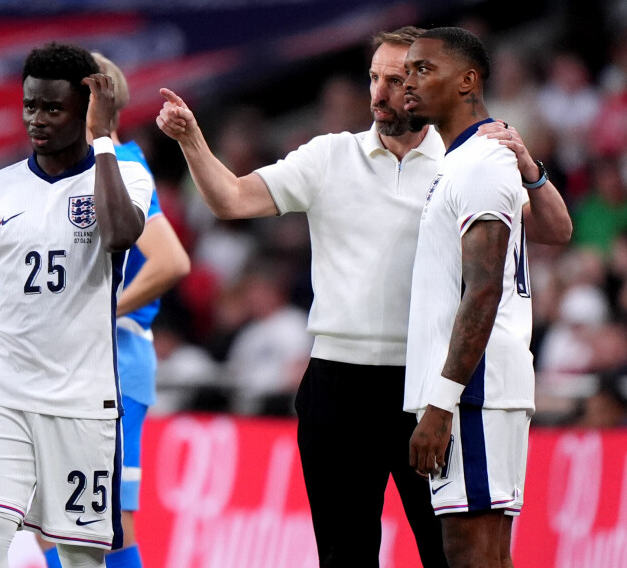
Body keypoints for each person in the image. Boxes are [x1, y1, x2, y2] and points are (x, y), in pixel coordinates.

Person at [156, 26, 571, 568]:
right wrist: (192, 140)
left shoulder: (465, 158)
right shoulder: (329, 156)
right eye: (374, 77)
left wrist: (530, 168)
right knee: (344, 555)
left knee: (449, 554)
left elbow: (553, 231)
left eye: (398, 78)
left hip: (426, 384)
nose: (379, 91)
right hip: (338, 383)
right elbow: (232, 199)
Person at [0, 43, 152, 568]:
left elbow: (118, 235)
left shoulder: (125, 175)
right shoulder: (1, 187)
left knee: (81, 558)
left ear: (85, 109)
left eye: (53, 108)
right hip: (6, 392)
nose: (36, 120)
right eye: (29, 106)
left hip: (82, 402)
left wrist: (104, 137)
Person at [36, 52, 190, 568]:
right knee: (58, 518)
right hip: (76, 363)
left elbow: (170, 261)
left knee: (109, 522)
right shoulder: (95, 166)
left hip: (115, 359)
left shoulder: (119, 167)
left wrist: (99, 311)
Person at [402, 27, 539, 568]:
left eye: (422, 70)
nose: (407, 83)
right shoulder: (465, 159)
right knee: (481, 552)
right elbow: (556, 228)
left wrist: (441, 402)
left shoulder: (480, 162)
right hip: (474, 388)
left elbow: (482, 291)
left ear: (468, 80)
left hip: (473, 390)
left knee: (471, 552)